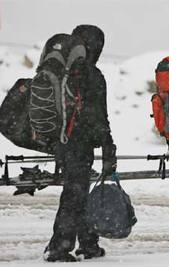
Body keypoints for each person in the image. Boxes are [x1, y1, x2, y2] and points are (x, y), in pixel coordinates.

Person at [44, 25, 117, 262]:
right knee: (74, 194)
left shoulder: (66, 72)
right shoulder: (90, 75)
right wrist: (108, 150)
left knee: (79, 191)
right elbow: (99, 117)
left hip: (62, 140)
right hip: (79, 143)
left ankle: (88, 243)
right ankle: (59, 247)